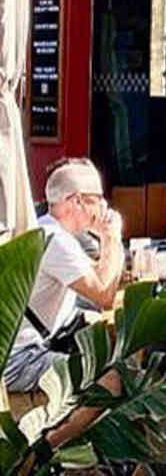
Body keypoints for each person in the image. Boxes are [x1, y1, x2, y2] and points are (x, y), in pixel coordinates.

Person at [5, 160, 125, 394]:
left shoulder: (48, 230)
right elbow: (104, 296)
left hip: (26, 349)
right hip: (18, 361)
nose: (104, 206)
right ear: (76, 201)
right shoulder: (56, 240)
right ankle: (55, 433)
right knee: (110, 381)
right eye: (98, 198)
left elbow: (98, 279)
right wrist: (111, 237)